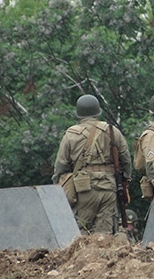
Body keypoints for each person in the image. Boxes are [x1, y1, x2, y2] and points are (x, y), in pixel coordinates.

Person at [52, 94, 132, 235]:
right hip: (109, 187)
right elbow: (126, 160)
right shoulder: (112, 131)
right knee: (105, 235)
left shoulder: (70, 134)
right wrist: (124, 180)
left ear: (79, 114)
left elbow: (61, 165)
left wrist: (58, 186)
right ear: (97, 112)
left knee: (81, 232)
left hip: (83, 188)